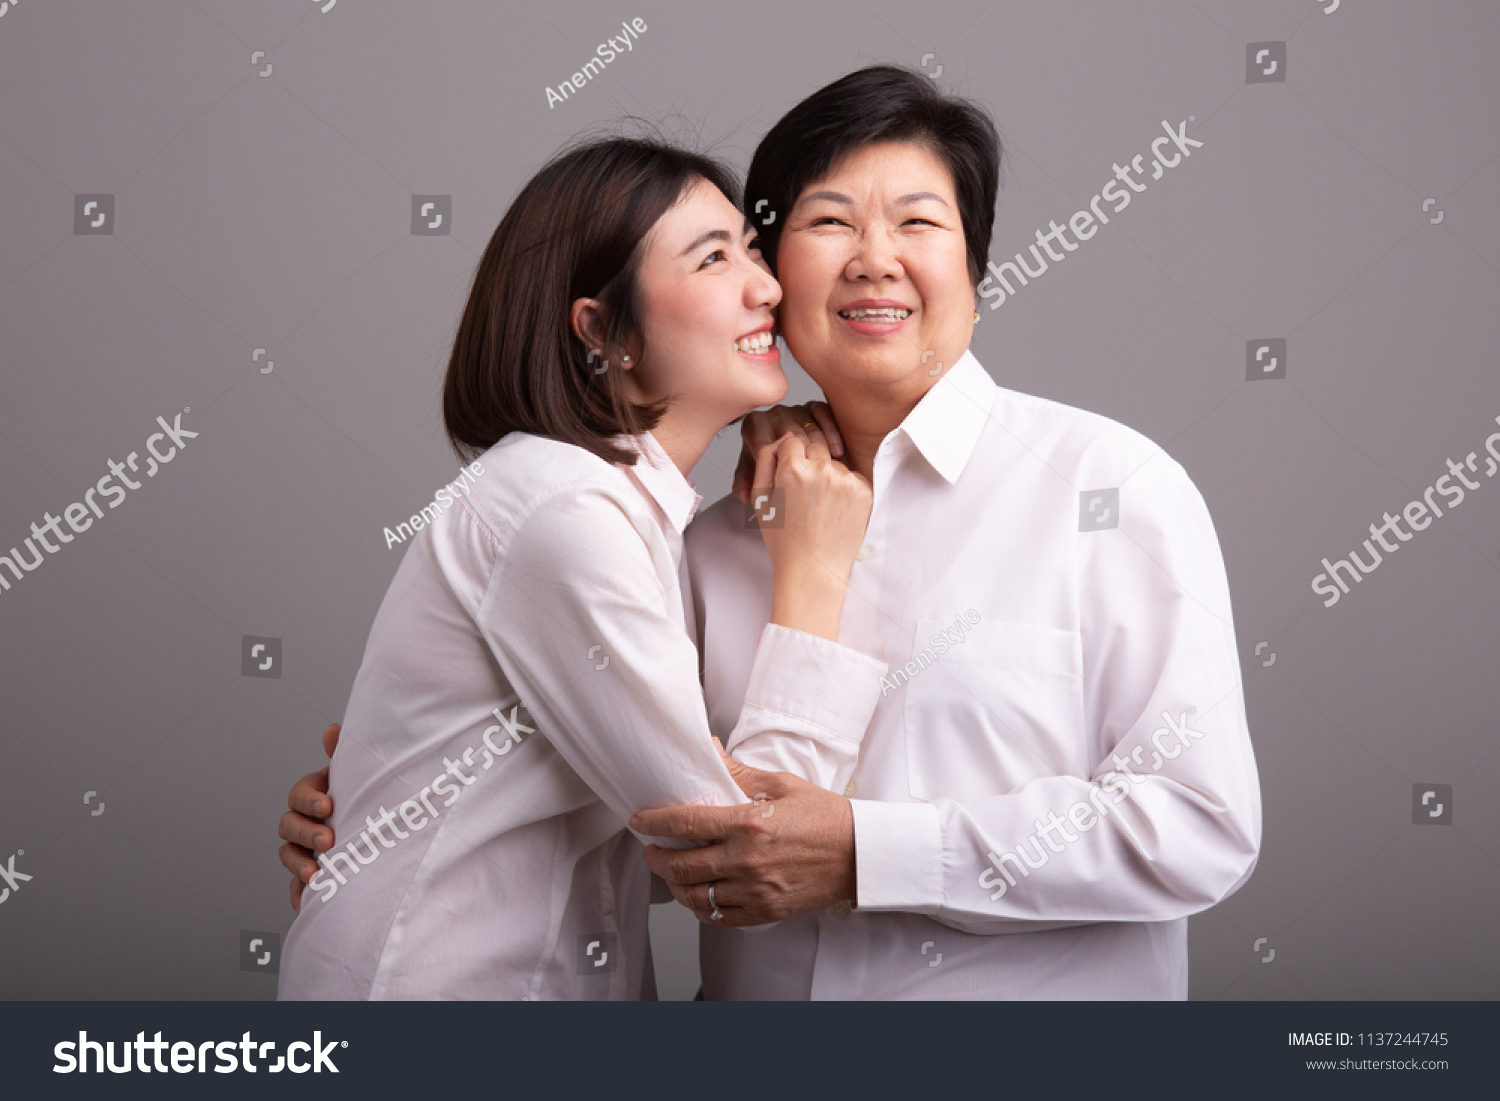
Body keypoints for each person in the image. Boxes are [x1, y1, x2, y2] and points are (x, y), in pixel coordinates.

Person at [284, 66, 1261, 1001]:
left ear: (976, 264)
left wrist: (865, 856)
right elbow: (675, 833)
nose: (875, 256)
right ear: (778, 271)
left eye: (919, 221)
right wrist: (395, 807)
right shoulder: (699, 545)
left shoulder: (1112, 490)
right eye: (827, 222)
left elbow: (1199, 826)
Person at [276, 135, 888, 1001]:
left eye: (752, 250)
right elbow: (745, 849)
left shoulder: (624, 514)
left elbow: (637, 835)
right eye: (714, 258)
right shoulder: (563, 509)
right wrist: (816, 571)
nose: (768, 286)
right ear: (603, 330)